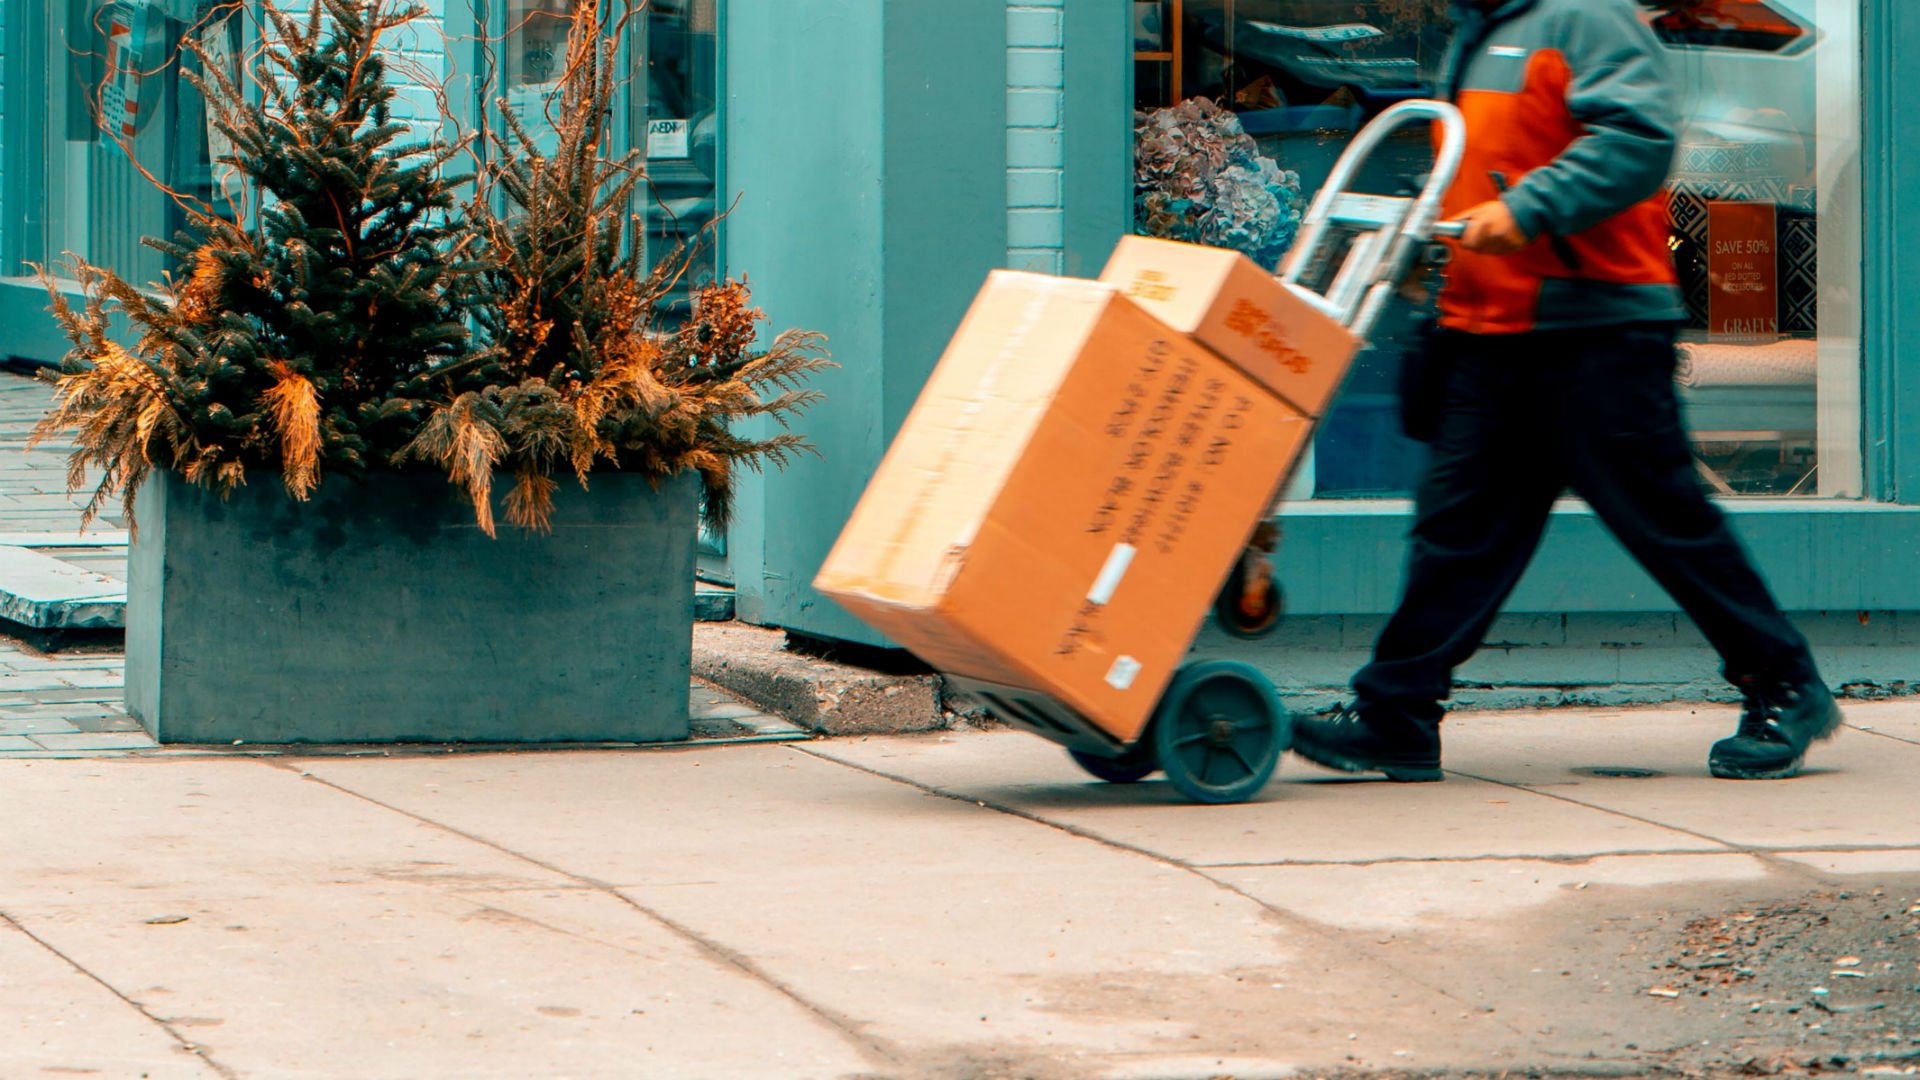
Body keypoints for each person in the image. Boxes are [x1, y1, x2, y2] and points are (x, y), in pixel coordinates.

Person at [1288, 0, 1842, 782]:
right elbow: (1482, 162)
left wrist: (1526, 210)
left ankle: (1786, 684)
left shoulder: (1586, 16)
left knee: (1666, 522)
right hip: (1493, 331)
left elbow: (1636, 140)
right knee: (1458, 534)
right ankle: (1397, 713)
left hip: (1596, 329)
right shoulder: (1486, 31)